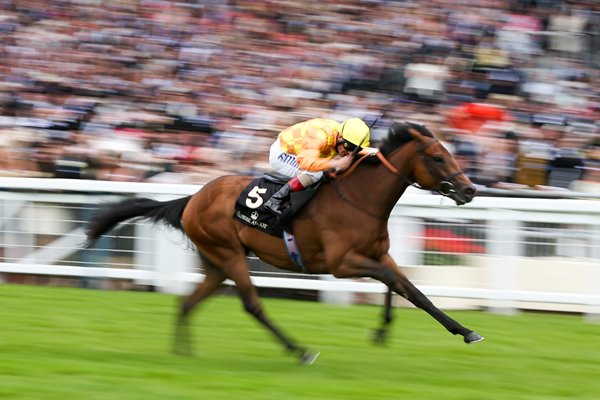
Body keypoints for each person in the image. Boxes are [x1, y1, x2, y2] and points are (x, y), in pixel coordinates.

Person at [264, 117, 372, 215]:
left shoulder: (344, 137)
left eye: (355, 149)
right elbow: (305, 162)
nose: (350, 153)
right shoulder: (320, 135)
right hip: (283, 153)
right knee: (315, 173)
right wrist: (336, 163)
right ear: (340, 137)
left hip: (302, 153)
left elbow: (366, 151)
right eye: (349, 147)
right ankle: (276, 200)